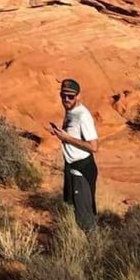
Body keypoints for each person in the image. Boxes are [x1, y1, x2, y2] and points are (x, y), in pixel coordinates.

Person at [48, 78, 99, 231]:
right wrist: (60, 134)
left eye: (71, 96)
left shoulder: (82, 116)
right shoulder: (71, 112)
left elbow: (94, 146)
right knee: (77, 210)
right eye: (63, 96)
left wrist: (67, 138)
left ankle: (92, 248)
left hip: (81, 168)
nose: (66, 99)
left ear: (79, 96)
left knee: (84, 216)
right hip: (73, 167)